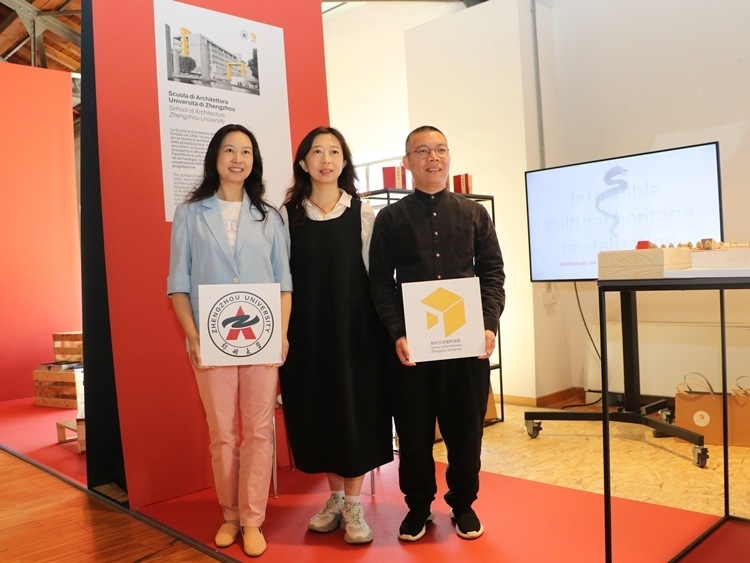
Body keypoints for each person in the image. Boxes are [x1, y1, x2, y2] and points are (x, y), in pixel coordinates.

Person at [368, 125, 505, 542]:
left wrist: (488, 324)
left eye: (440, 149)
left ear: (449, 156)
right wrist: (397, 332)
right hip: (412, 347)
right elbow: (380, 282)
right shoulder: (390, 218)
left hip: (466, 346)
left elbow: (493, 275)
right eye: (422, 151)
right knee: (413, 434)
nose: (433, 158)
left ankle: (463, 505)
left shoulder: (474, 214)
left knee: (466, 433)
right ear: (406, 162)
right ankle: (418, 507)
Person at [167, 124, 292, 558]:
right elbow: (178, 283)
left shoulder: (270, 216)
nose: (238, 159)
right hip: (210, 339)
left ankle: (253, 518)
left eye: (246, 152)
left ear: (254, 161)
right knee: (222, 433)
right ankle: (230, 514)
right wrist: (193, 336)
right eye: (229, 150)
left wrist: (282, 333)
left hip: (262, 337)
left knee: (258, 430)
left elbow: (284, 281)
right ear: (215, 158)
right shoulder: (190, 214)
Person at [279, 126, 394, 545]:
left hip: (357, 333)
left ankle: (354, 504)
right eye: (317, 152)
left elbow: (378, 277)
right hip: (307, 334)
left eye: (334, 152)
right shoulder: (286, 216)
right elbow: (281, 278)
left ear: (344, 162)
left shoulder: (364, 214)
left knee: (355, 412)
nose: (326, 159)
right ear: (303, 162)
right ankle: (335, 498)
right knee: (321, 411)